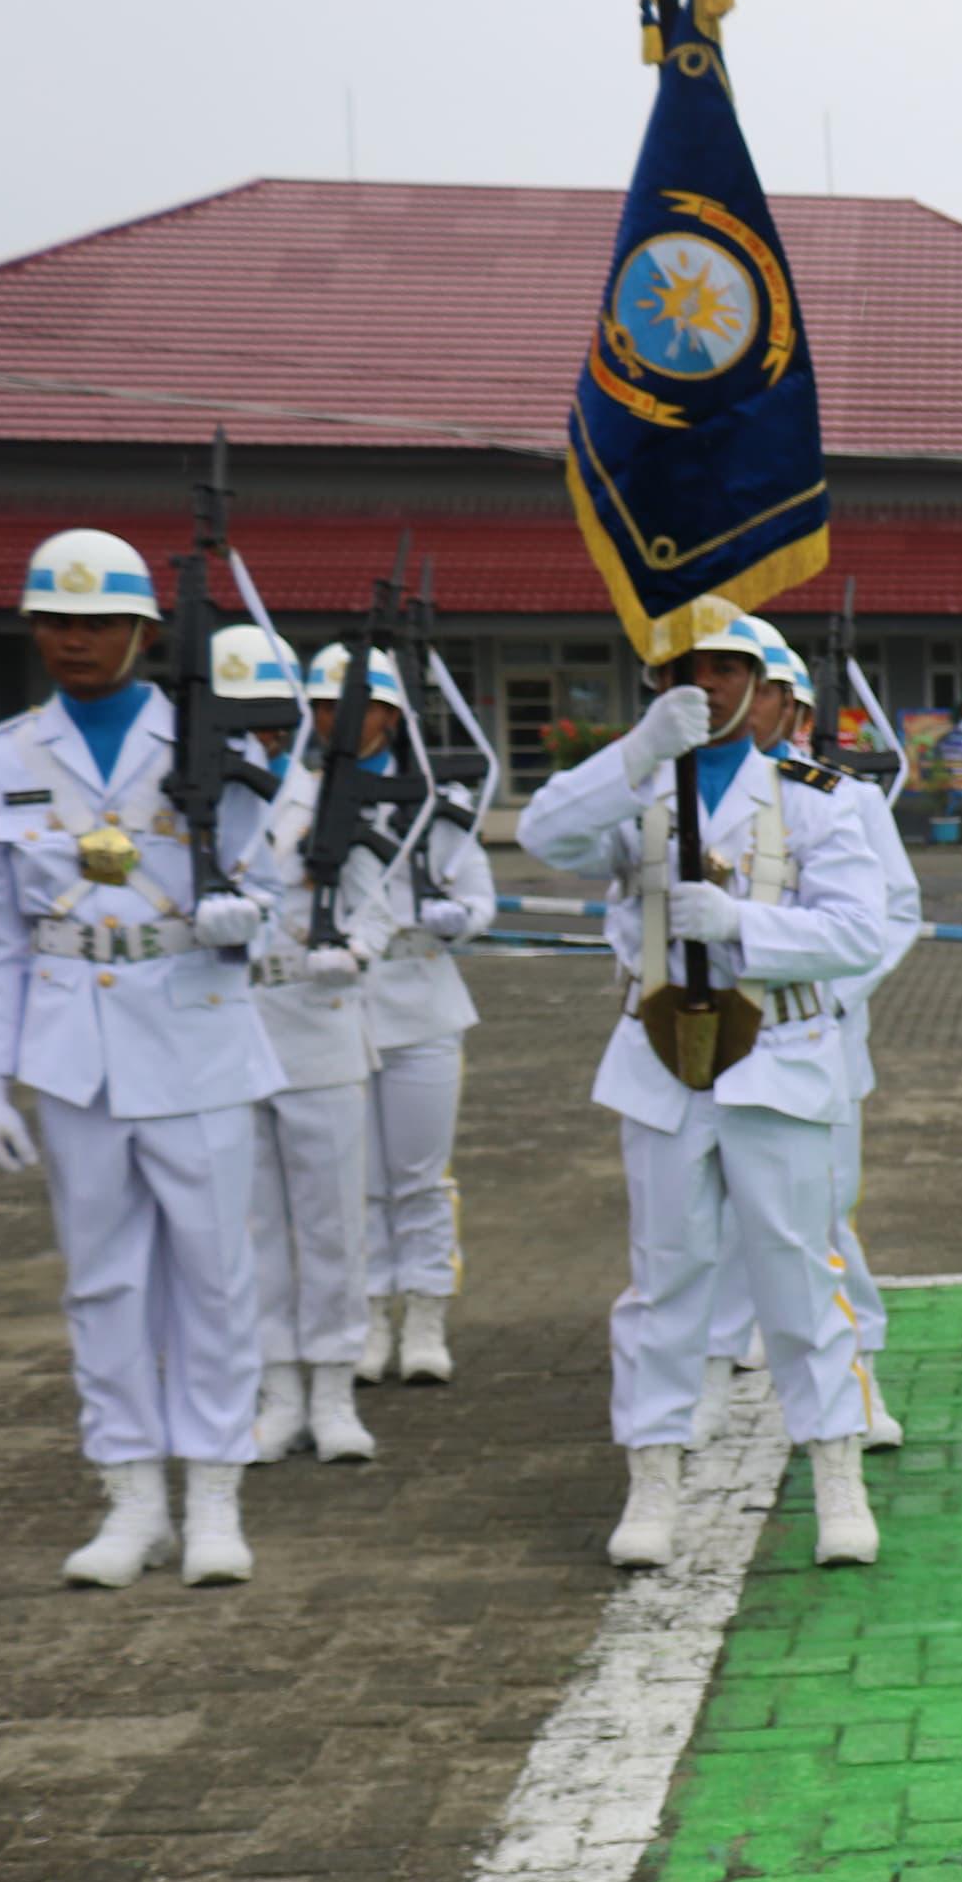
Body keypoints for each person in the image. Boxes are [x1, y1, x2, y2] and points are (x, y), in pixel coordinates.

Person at [519, 598, 894, 1564]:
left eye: (727, 670)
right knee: (665, 1278)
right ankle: (654, 1477)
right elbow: (545, 836)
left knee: (800, 1274)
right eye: (684, 670)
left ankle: (836, 1472)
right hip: (663, 1060)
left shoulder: (821, 795)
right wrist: (639, 750)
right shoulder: (638, 785)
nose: (705, 686)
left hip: (779, 1056)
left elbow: (862, 932)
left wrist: (742, 927)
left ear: (770, 695)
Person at [0, 529, 283, 1587]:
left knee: (213, 1275)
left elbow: (282, 892)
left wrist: (238, 917)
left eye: (100, 622)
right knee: (101, 1283)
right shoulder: (7, 756)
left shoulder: (214, 741)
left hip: (197, 1031)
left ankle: (214, 1490)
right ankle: (130, 1496)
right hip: (72, 1047)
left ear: (145, 631)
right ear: (33, 627)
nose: (78, 640)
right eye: (58, 621)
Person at [701, 619, 925, 1449]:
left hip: (815, 1039)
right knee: (713, 1227)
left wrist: (826, 990)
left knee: (823, 1220)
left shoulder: (846, 797)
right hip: (718, 1039)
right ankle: (716, 1368)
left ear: (791, 706)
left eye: (766, 692)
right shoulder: (697, 792)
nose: (748, 707)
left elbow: (892, 914)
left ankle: (856, 1376)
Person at [230, 640, 400, 1465]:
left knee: (332, 1220)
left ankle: (333, 1386)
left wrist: (354, 952)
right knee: (254, 1224)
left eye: (268, 719)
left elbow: (380, 903)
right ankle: (278, 1390)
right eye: (241, 719)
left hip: (320, 1021)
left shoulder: (326, 796)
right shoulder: (196, 800)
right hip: (232, 1023)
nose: (256, 737)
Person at [352, 631, 496, 1388]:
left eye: (367, 705)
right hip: (338, 1002)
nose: (345, 719)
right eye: (327, 706)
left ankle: (427, 1315)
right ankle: (370, 1314)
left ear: (394, 714)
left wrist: (457, 918)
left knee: (419, 1173)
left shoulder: (436, 800)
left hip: (422, 999)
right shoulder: (305, 796)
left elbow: (479, 896)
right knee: (359, 1180)